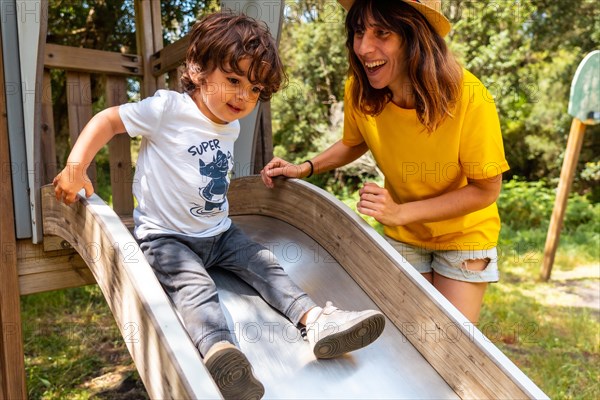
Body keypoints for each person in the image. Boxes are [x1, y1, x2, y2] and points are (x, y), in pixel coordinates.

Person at [52, 11, 385, 400]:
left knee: (265, 265)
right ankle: (220, 354)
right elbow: (109, 120)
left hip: (219, 231)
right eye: (233, 80)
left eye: (255, 89)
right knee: (195, 288)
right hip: (167, 238)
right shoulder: (168, 109)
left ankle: (316, 321)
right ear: (196, 70)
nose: (244, 97)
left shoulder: (232, 123)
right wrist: (75, 167)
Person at [261, 0, 510, 325]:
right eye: (359, 32)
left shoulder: (469, 97)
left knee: (449, 341)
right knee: (409, 335)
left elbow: (486, 190)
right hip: (403, 232)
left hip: (463, 236)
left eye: (383, 33)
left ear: (413, 37)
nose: (364, 47)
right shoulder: (360, 89)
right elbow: (353, 142)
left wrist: (401, 211)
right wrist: (304, 167)